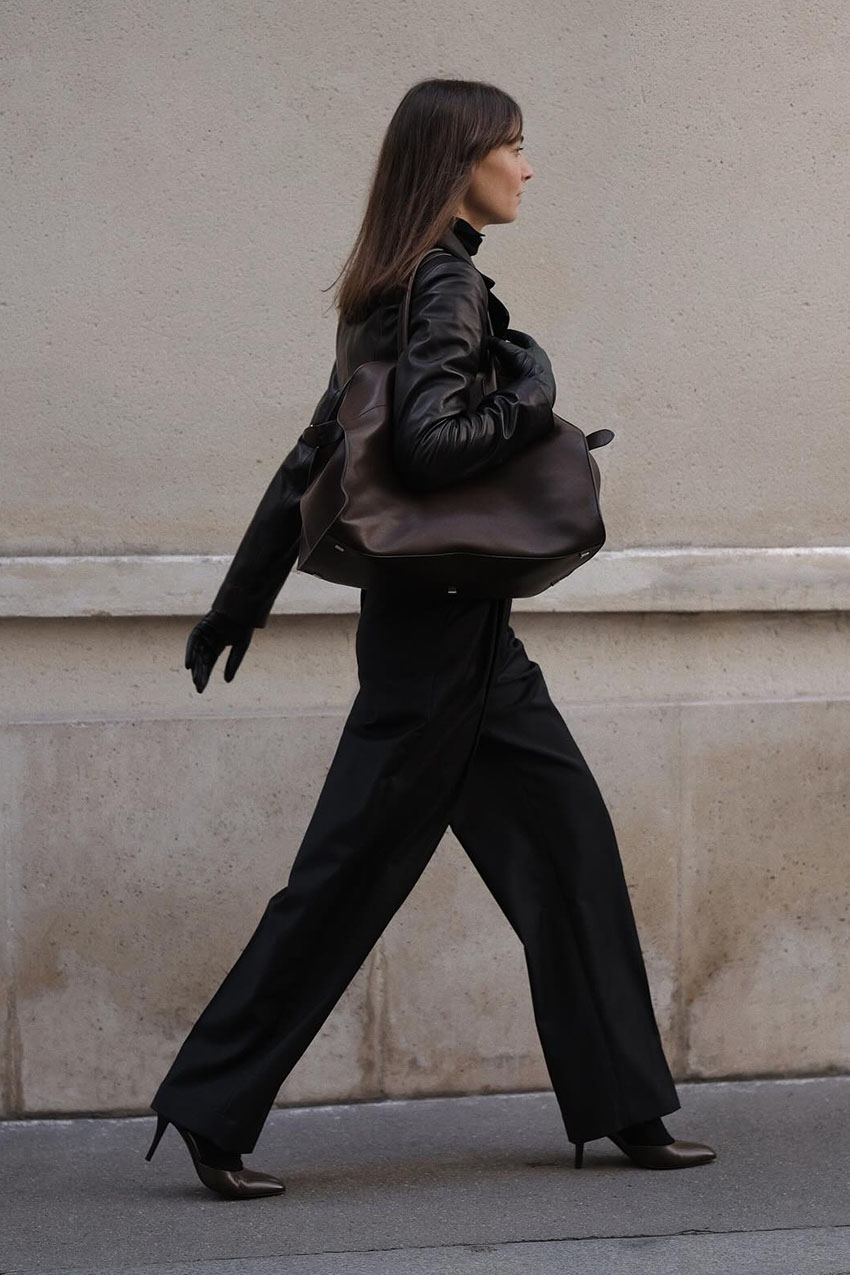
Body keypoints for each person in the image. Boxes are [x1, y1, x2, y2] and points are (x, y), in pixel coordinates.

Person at [144, 78, 716, 1200]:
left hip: (456, 637)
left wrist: (238, 601)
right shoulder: (443, 284)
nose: (527, 167)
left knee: (569, 858)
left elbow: (316, 458)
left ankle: (625, 1110)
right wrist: (534, 386)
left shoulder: (388, 284)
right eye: (513, 146)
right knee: (345, 879)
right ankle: (209, 1109)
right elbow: (432, 443)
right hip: (436, 647)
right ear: (460, 161)